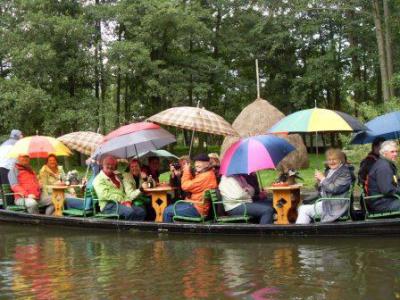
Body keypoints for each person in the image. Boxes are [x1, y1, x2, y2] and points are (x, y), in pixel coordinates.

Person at [296, 149, 353, 224]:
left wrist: (323, 178)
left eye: (334, 159)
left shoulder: (344, 173)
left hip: (335, 206)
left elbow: (334, 188)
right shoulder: (330, 171)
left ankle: (301, 232)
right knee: (301, 207)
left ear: (340, 160)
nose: (331, 162)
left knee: (304, 209)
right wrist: (319, 181)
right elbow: (320, 189)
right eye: (329, 160)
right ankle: (308, 229)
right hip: (326, 201)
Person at [163, 153, 218, 222]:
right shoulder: (206, 173)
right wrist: (179, 175)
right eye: (196, 162)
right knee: (170, 207)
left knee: (167, 211)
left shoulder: (205, 176)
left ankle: (167, 232)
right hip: (197, 205)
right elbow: (194, 183)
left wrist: (186, 171)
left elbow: (185, 186)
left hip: (198, 209)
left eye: (199, 163)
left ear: (207, 164)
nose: (197, 164)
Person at [93, 156, 146, 221]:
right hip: (108, 205)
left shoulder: (116, 177)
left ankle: (136, 228)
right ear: (103, 165)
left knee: (141, 212)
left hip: (121, 203)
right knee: (129, 212)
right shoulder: (98, 179)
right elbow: (104, 195)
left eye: (112, 165)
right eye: (108, 164)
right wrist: (122, 202)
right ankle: (127, 230)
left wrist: (127, 201)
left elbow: (123, 192)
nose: (110, 166)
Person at [366, 140, 400, 213]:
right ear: (384, 153)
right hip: (382, 204)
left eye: (396, 151)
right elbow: (387, 190)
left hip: (386, 200)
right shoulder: (383, 167)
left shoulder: (385, 163)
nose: (395, 154)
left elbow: (394, 182)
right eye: (392, 152)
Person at [0, 130, 23, 197]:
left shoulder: (4, 143)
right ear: (17, 135)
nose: (22, 136)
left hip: (1, 167)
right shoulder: (17, 144)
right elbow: (17, 159)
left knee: (3, 188)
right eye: (21, 134)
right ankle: (9, 205)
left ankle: (3, 204)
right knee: (9, 188)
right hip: (7, 168)